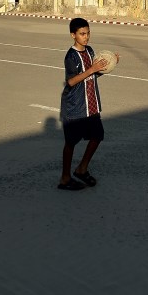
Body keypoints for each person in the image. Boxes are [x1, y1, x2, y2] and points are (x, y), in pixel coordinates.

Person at [58, 17, 118, 191]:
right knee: (71, 143)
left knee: (97, 136)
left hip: (91, 104)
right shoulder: (71, 56)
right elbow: (71, 81)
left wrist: (109, 64)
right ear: (73, 35)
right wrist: (92, 69)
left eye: (88, 33)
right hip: (75, 106)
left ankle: (81, 169)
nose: (86, 37)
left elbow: (93, 74)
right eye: (82, 34)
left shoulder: (90, 51)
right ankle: (65, 178)